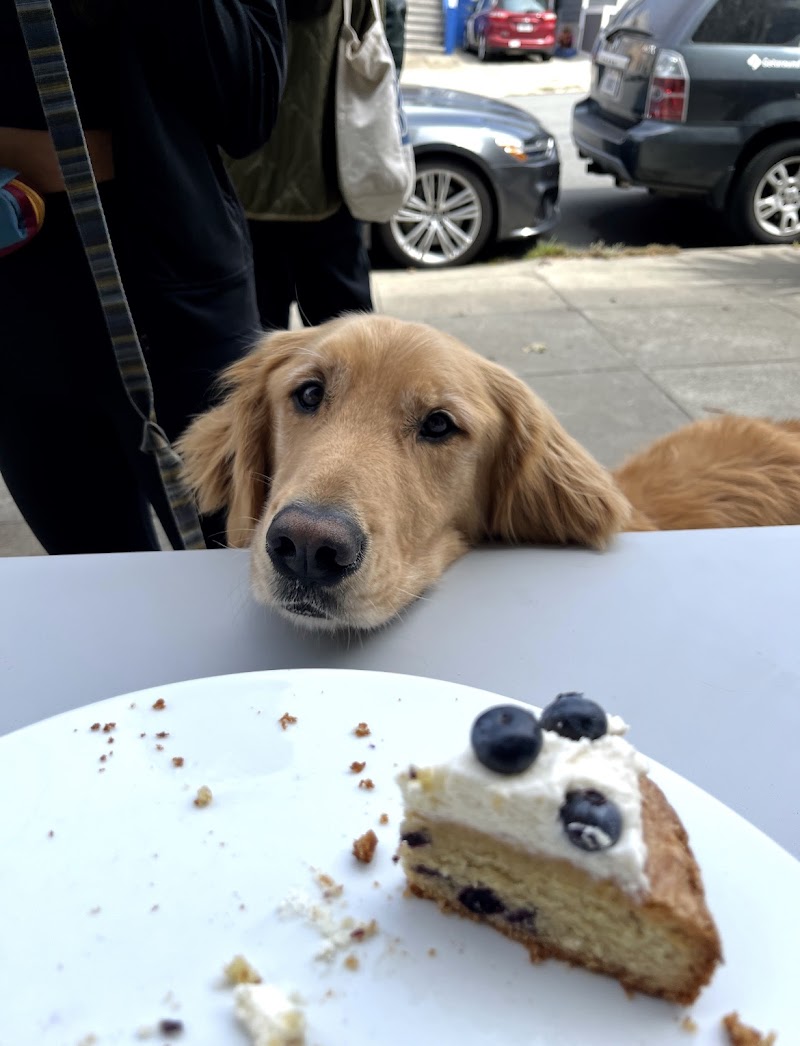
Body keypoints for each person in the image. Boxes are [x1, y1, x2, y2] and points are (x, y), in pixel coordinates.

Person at [0, 0, 287, 554]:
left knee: (250, 565)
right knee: (94, 587)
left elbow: (248, 107)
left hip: (175, 293)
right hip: (17, 305)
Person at [227, 0, 400, 332]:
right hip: (329, 182)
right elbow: (388, 41)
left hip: (241, 189)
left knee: (254, 352)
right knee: (349, 345)